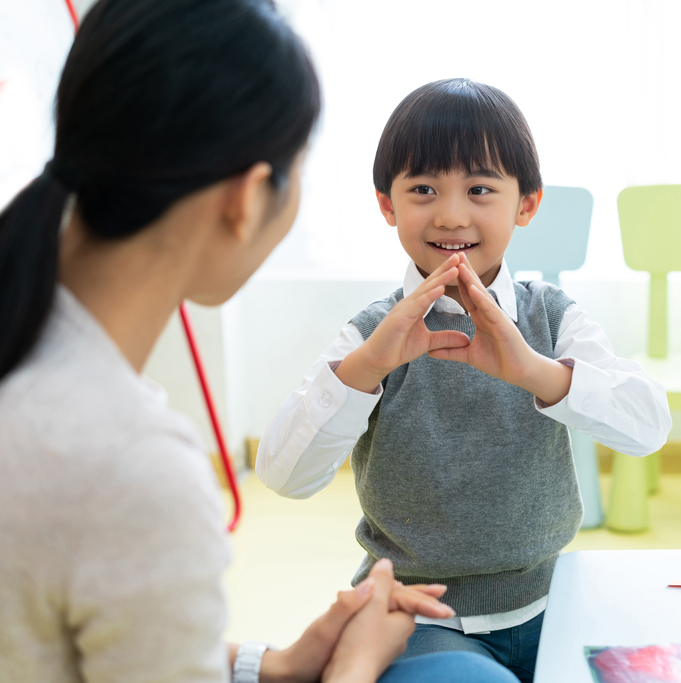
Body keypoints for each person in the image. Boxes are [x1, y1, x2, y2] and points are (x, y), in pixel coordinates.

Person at [0, 3, 518, 682]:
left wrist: (269, 664)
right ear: (246, 198)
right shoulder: (134, 471)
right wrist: (352, 667)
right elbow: (286, 468)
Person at [256, 78, 674, 682]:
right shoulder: (372, 334)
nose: (451, 215)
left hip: (554, 606)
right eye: (423, 189)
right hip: (417, 619)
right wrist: (366, 370)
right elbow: (284, 475)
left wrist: (534, 371)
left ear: (526, 204)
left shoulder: (552, 316)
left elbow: (649, 427)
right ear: (386, 204)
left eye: (480, 189)